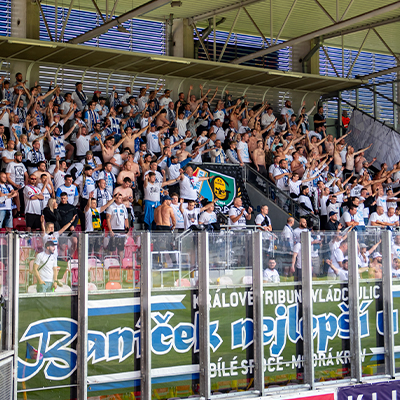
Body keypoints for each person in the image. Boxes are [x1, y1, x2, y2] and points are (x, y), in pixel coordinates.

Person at [106, 193, 129, 261]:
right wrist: (110, 230)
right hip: (114, 229)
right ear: (115, 199)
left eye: (122, 198)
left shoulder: (123, 207)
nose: (121, 199)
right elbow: (108, 219)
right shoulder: (111, 207)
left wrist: (127, 230)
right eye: (119, 198)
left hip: (121, 229)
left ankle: (120, 264)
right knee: (111, 248)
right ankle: (109, 262)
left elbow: (126, 219)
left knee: (121, 248)